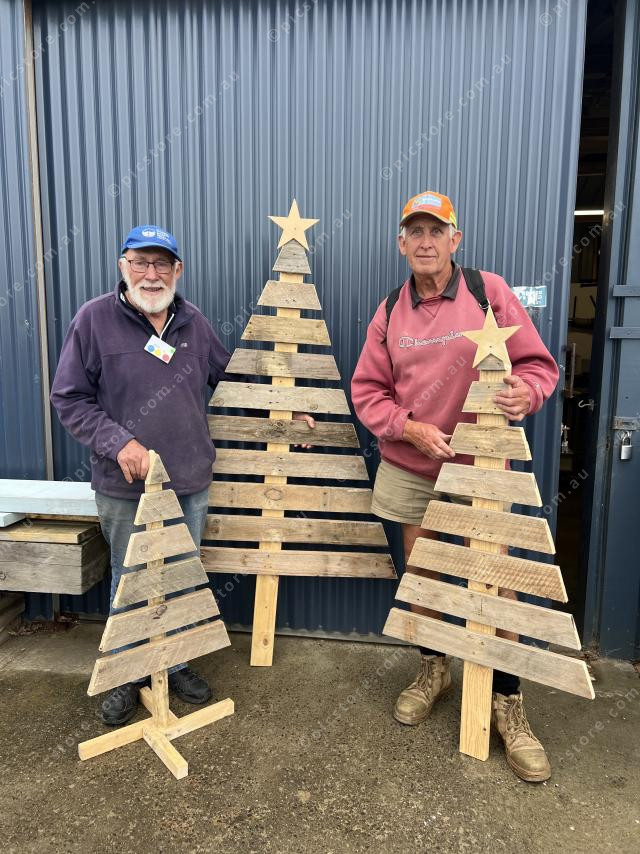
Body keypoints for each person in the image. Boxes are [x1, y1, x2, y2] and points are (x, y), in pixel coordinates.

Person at [50, 224, 313, 726]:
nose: (151, 274)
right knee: (130, 579)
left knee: (180, 575)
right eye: (140, 263)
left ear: (178, 270)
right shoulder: (94, 320)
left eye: (161, 264)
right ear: (123, 266)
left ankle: (174, 664)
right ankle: (129, 673)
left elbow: (232, 380)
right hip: (125, 486)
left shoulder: (193, 323)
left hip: (188, 482)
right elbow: (69, 398)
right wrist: (119, 442)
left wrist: (287, 410)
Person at [351, 192, 559, 782]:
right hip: (409, 466)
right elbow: (368, 391)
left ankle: (507, 701)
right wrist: (408, 428)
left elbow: (538, 365)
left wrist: (527, 393)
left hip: (481, 467)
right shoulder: (390, 310)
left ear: (454, 239)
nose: (425, 241)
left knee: (496, 581)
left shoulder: (487, 292)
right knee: (423, 574)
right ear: (401, 243)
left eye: (436, 231)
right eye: (414, 231)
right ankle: (434, 668)